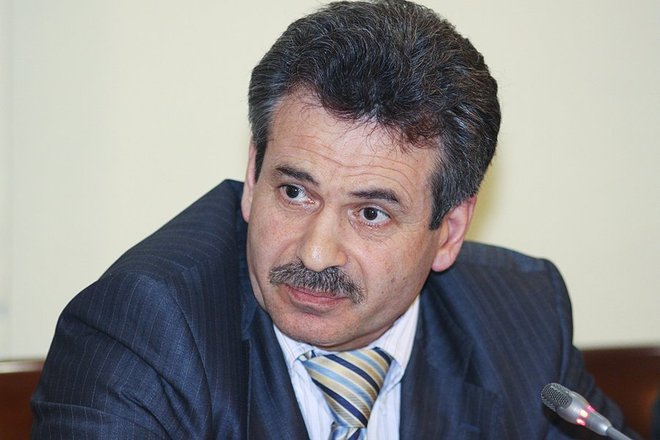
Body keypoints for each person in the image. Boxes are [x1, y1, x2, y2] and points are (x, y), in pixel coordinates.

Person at [31, 1, 639, 438]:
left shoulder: (523, 317)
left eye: (371, 212)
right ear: (253, 177)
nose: (315, 252)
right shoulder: (142, 330)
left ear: (449, 232)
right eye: (295, 192)